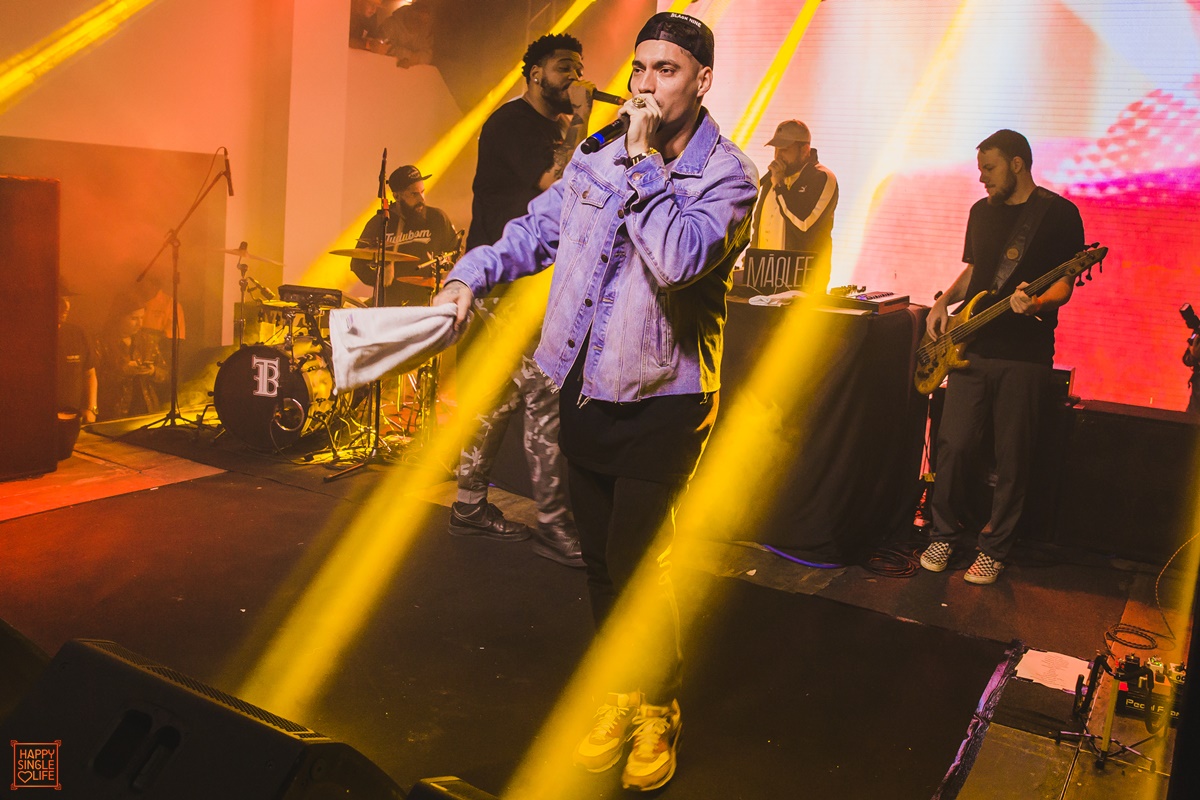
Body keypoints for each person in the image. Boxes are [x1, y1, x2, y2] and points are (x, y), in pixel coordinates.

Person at [434, 12, 757, 791]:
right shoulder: (598, 156)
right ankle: (622, 691)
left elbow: (679, 259)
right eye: (640, 68)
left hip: (665, 396)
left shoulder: (730, 176)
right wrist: (467, 276)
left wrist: (641, 163)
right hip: (584, 385)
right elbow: (533, 232)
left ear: (703, 81)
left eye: (666, 70)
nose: (646, 84)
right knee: (601, 562)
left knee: (639, 560)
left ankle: (659, 704)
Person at [447, 33, 598, 568]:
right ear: (535, 73)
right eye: (564, 67)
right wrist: (581, 123)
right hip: (502, 278)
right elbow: (555, 186)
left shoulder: (552, 127)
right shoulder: (511, 123)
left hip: (524, 282)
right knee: (544, 392)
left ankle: (468, 505)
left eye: (578, 67)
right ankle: (555, 525)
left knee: (497, 397)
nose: (574, 77)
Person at [920, 129, 1085, 585]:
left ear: (1017, 164)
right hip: (971, 347)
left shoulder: (1059, 214)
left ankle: (994, 548)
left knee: (1012, 456)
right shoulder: (981, 211)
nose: (982, 179)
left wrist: (1037, 303)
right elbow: (975, 271)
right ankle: (943, 534)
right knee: (953, 445)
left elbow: (1065, 283)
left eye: (989, 169)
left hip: (1025, 354)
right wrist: (942, 302)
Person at [350, 165, 458, 308]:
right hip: (389, 303)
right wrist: (378, 279)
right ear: (396, 196)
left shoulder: (437, 218)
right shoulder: (380, 222)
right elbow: (357, 263)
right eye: (414, 194)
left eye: (422, 192)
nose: (421, 198)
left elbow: (455, 251)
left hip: (427, 300)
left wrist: (445, 262)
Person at [750, 119, 838, 292]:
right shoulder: (772, 180)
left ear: (804, 150)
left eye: (784, 149)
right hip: (763, 281)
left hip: (803, 286)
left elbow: (802, 223)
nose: (778, 156)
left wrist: (780, 186)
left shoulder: (821, 177)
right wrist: (751, 264)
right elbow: (758, 227)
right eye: (776, 149)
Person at [94, 294, 169, 420]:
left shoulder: (147, 340)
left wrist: (152, 371)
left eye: (142, 318)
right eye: (134, 318)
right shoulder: (101, 342)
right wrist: (123, 371)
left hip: (147, 410)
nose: (140, 324)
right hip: (113, 413)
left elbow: (166, 373)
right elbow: (93, 379)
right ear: (118, 317)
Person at [56, 292, 98, 459]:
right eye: (60, 300)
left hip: (70, 419)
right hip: (37, 422)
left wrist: (91, 408)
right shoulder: (29, 335)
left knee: (65, 459)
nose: (66, 307)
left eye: (67, 300)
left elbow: (90, 374)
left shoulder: (78, 333)